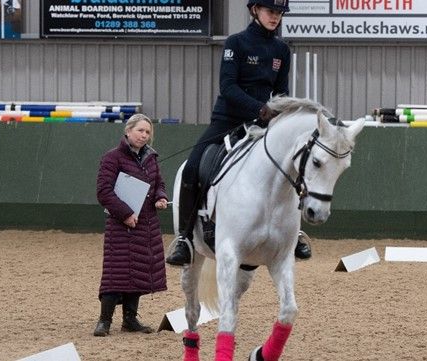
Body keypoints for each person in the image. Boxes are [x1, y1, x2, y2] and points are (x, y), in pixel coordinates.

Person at [165, 0, 311, 266]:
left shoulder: (281, 49)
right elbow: (228, 86)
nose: (275, 17)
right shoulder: (236, 43)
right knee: (193, 168)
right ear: (255, 10)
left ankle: (294, 231)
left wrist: (282, 110)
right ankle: (185, 239)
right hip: (228, 119)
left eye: (279, 13)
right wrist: (259, 108)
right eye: (271, 11)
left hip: (266, 123)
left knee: (293, 163)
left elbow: (281, 91)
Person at [93, 114, 169, 336]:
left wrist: (160, 197)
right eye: (140, 131)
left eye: (147, 132)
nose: (144, 135)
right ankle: (104, 321)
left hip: (146, 225)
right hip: (121, 225)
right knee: (114, 274)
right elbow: (103, 192)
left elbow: (159, 184)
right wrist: (125, 214)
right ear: (128, 131)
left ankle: (130, 320)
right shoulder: (112, 158)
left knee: (138, 273)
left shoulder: (151, 159)